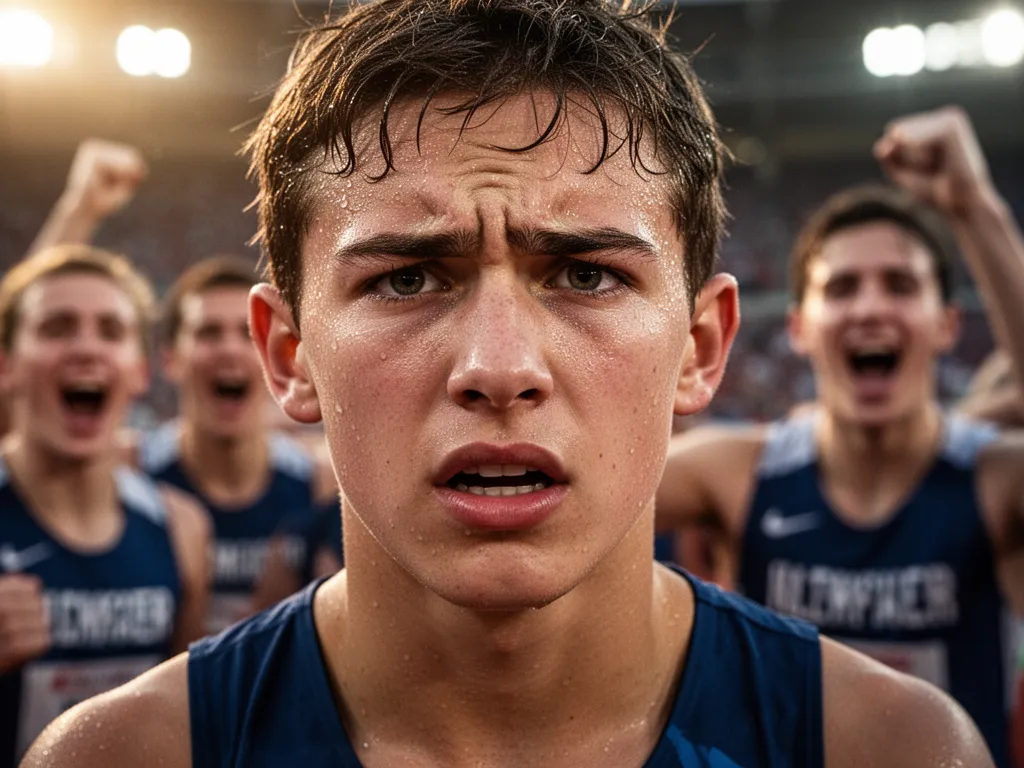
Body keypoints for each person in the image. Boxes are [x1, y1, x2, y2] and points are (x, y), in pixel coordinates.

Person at [25, 2, 992, 766]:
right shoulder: (121, 757)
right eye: (406, 278)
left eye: (586, 274)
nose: (498, 369)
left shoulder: (897, 749)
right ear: (288, 353)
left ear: (701, 347)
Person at [655, 108, 1024, 766]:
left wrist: (974, 207)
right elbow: (586, 501)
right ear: (799, 328)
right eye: (843, 286)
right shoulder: (739, 471)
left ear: (946, 324)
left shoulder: (994, 479)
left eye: (900, 284)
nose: (871, 306)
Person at [0, 246, 210, 767]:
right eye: (58, 327)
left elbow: (181, 727)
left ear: (139, 372)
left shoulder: (181, 527)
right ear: (6, 366)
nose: (86, 349)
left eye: (110, 331)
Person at [137, 256, 331, 633]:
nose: (229, 350)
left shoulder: (318, 485)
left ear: (279, 357)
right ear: (170, 360)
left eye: (247, 334)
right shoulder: (131, 475)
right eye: (208, 333)